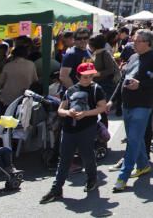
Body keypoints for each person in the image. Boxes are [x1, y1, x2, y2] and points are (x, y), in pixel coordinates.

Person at [40, 63, 108, 203]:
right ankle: (56, 189)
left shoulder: (96, 89)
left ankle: (92, 179)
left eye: (90, 76)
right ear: (78, 76)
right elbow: (60, 109)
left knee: (87, 156)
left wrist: (85, 114)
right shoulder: (70, 90)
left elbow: (102, 108)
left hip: (87, 128)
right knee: (64, 159)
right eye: (85, 77)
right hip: (69, 129)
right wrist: (68, 112)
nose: (88, 79)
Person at [113, 30, 153, 193]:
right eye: (133, 40)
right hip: (127, 103)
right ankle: (143, 165)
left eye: (137, 41)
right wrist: (111, 100)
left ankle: (123, 176)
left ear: (147, 42)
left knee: (133, 139)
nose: (133, 43)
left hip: (143, 104)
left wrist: (140, 84)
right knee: (136, 137)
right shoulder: (133, 57)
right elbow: (123, 79)